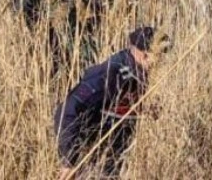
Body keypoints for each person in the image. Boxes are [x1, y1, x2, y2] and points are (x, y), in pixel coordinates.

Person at [53, 26, 171, 179]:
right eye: (160, 56)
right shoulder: (111, 74)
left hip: (112, 160)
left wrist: (143, 109)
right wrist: (69, 161)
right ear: (145, 55)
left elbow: (117, 106)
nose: (162, 62)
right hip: (90, 160)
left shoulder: (138, 72)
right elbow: (68, 110)